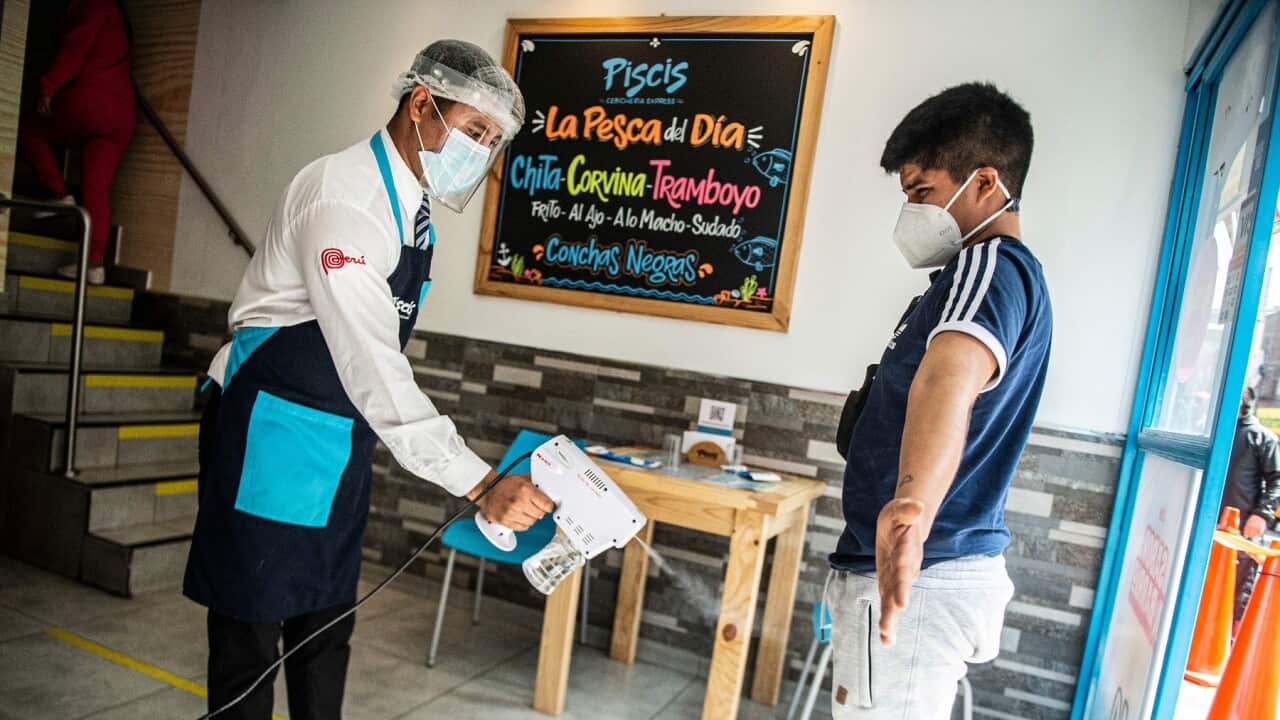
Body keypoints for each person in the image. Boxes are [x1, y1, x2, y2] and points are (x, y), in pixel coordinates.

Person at [183, 40, 553, 720]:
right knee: (250, 639)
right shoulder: (344, 198)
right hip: (272, 432)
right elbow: (373, 364)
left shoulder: (410, 206)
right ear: (420, 105)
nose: (482, 152)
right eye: (475, 132)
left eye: (493, 141)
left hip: (337, 439)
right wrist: (478, 482)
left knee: (325, 630)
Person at [826, 83, 1053, 718]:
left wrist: (912, 511)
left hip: (921, 566)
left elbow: (947, 377)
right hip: (917, 561)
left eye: (922, 192)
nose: (912, 213)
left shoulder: (990, 267)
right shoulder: (964, 279)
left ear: (985, 183)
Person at [17, 0, 135, 285]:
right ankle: (94, 265)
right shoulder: (115, 14)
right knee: (97, 188)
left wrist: (48, 87)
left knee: (28, 130)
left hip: (90, 101)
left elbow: (74, 50)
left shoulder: (95, 5)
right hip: (122, 115)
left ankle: (59, 193)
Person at [1221, 386, 1280, 628]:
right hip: (1211, 525)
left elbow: (1278, 479)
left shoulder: (1261, 438)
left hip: (1242, 530)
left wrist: (1261, 515)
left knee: (1235, 590)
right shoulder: (1217, 433)